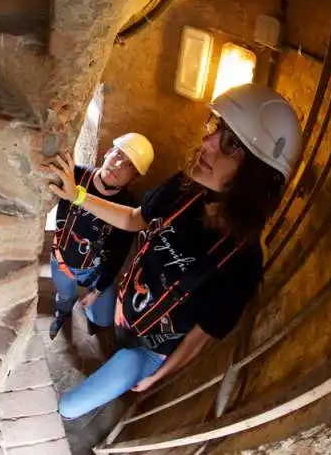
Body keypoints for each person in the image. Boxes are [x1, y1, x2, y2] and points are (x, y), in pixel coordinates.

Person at [45, 84, 302, 419]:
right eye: (218, 130)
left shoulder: (242, 262)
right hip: (128, 311)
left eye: (232, 143)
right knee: (107, 337)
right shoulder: (184, 190)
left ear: (256, 176)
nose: (207, 142)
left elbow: (203, 334)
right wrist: (77, 195)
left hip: (151, 350)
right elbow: (135, 219)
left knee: (68, 407)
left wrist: (159, 374)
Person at [47, 133, 155, 340]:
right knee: (64, 296)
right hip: (63, 260)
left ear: (135, 177)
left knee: (104, 319)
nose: (119, 165)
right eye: (119, 154)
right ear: (107, 153)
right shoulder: (76, 177)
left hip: (94, 270)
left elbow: (118, 254)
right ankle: (63, 312)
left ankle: (93, 319)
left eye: (130, 165)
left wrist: (97, 290)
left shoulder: (128, 209)